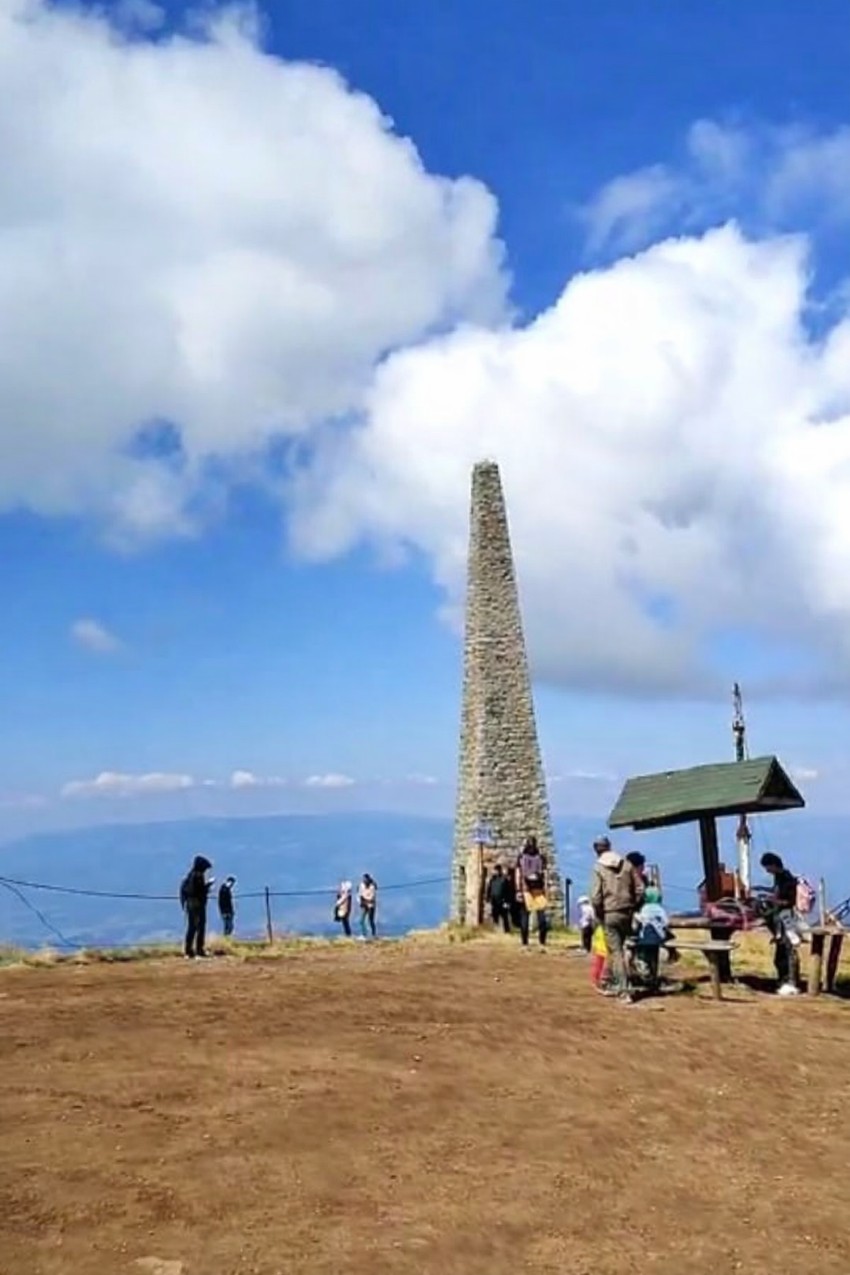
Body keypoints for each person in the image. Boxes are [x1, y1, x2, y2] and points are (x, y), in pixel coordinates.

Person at [589, 835, 645, 1003]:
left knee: (616, 952)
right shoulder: (626, 865)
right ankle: (616, 980)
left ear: (596, 850)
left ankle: (623, 990)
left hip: (609, 913)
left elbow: (595, 897)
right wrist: (633, 905)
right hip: (627, 912)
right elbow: (640, 888)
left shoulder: (598, 868)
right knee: (623, 947)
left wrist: (600, 913)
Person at [760, 852, 803, 996]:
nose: (767, 871)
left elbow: (789, 901)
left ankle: (790, 982)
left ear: (773, 865)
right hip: (781, 920)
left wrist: (772, 901)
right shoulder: (779, 877)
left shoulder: (787, 879)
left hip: (786, 919)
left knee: (787, 952)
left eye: (767, 867)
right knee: (781, 954)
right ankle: (784, 981)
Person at [632, 885, 672, 990]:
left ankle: (646, 975)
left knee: (644, 956)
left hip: (645, 938)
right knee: (654, 958)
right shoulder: (660, 909)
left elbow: (641, 919)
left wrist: (635, 915)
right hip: (658, 938)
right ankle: (654, 979)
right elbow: (666, 922)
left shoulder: (645, 908)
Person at [516, 835, 548, 947]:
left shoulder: (521, 857)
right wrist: (546, 889)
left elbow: (518, 874)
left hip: (529, 889)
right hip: (535, 889)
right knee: (540, 917)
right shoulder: (541, 858)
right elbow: (545, 875)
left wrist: (518, 890)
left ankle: (526, 943)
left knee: (527, 915)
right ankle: (540, 942)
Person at [180, 855, 213, 959]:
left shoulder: (190, 875)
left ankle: (189, 950)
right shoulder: (198, 876)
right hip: (197, 904)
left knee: (192, 927)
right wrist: (207, 886)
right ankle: (199, 949)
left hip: (190, 904)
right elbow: (199, 891)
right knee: (199, 927)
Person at [486, 864, 512, 933]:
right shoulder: (492, 880)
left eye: (497, 870)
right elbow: (489, 889)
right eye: (495, 870)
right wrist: (488, 899)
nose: (495, 872)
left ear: (500, 871)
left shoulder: (504, 879)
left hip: (503, 900)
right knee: (495, 915)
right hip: (494, 901)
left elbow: (508, 891)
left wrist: (507, 901)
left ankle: (507, 930)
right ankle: (496, 929)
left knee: (504, 915)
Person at [358, 873, 378, 939]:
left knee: (370, 920)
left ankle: (373, 934)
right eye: (363, 879)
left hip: (371, 906)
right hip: (364, 905)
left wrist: (365, 900)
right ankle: (364, 934)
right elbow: (359, 894)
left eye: (365, 879)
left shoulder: (372, 886)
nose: (364, 880)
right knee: (361, 920)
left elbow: (372, 897)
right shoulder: (361, 885)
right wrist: (361, 901)